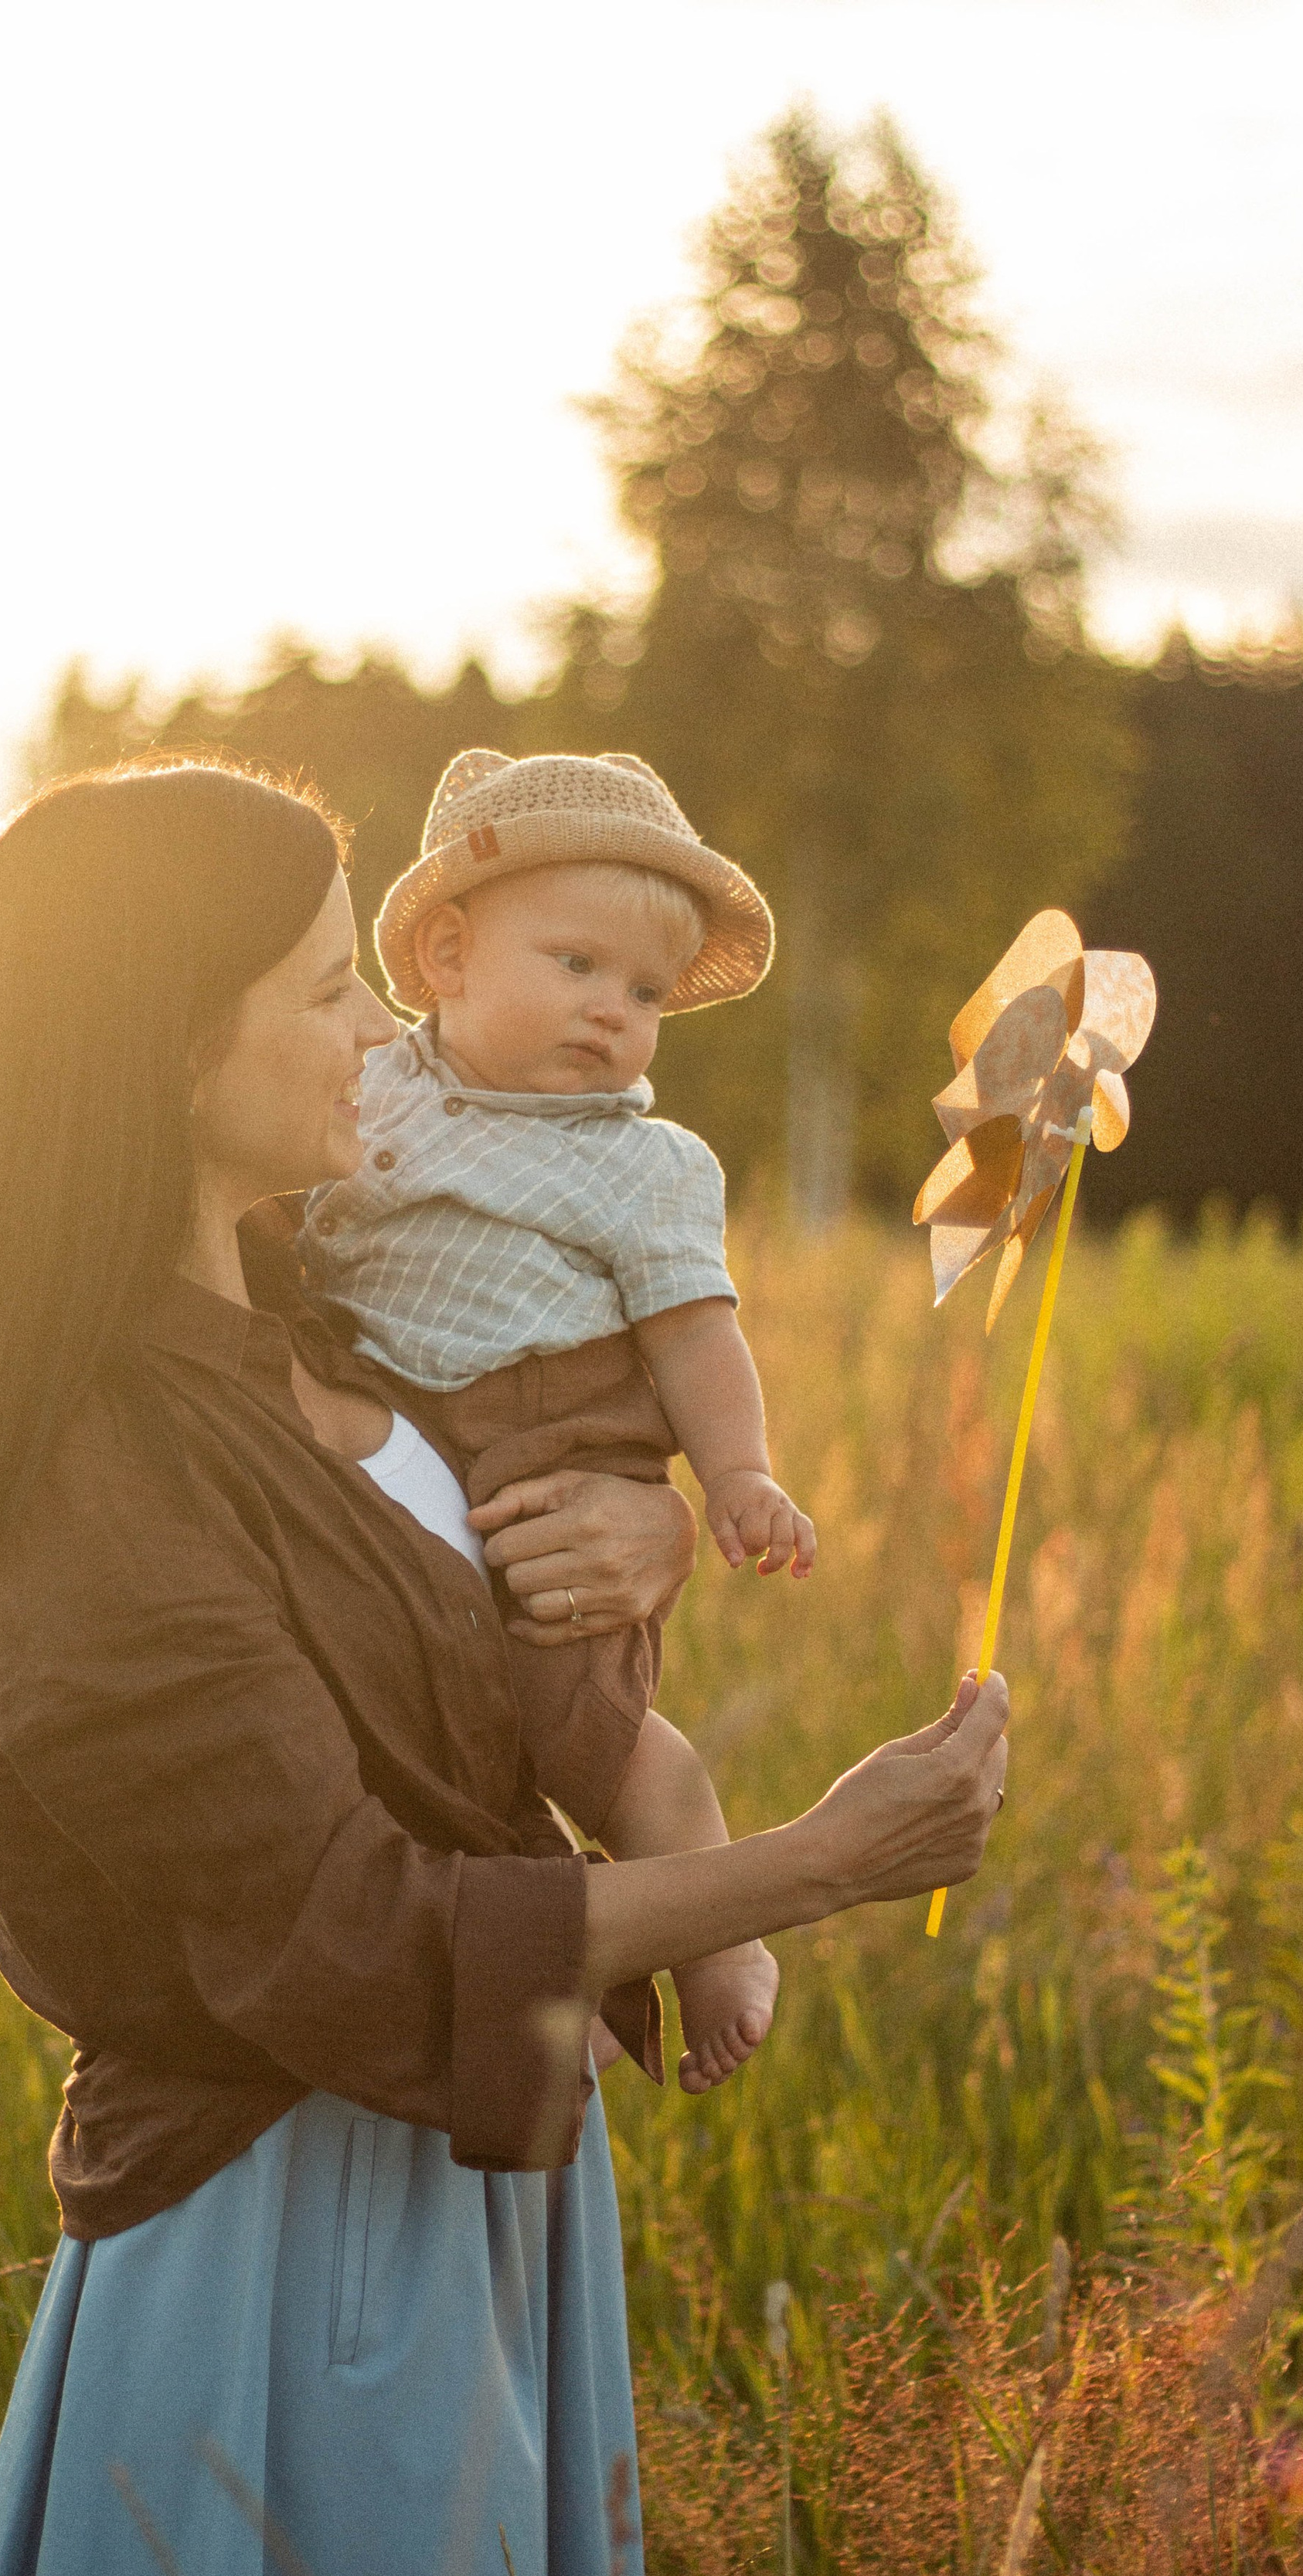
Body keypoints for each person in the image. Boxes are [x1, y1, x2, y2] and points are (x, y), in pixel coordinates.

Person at [0, 759, 1008, 2576]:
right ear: (167, 1047)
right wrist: (817, 1865)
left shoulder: (326, 1315)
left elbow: (498, 1516)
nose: (379, 1029)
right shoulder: (88, 1476)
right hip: (287, 2242)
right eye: (319, 988)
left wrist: (647, 1516)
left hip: (477, 2184)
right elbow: (355, 1932)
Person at [303, 746, 811, 2099]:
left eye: (645, 994)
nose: (613, 1015)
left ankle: (709, 1931)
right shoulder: (364, 1088)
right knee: (401, 1716)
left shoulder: (641, 1166)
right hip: (389, 1409)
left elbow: (698, 1336)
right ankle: (531, 1985)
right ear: (449, 956)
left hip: (553, 1433)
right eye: (577, 966)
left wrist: (737, 1475)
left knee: (565, 1719)